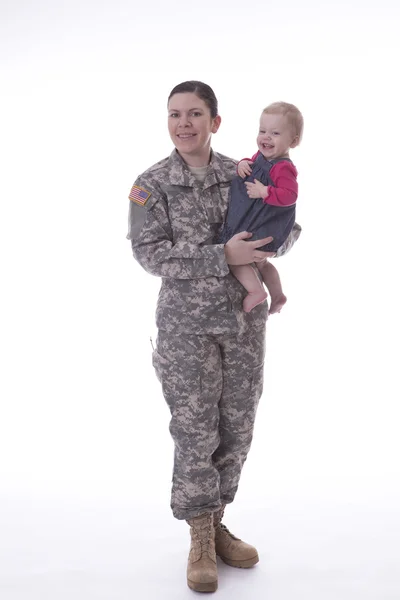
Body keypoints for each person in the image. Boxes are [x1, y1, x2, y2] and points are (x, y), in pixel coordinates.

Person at [127, 81, 300, 593]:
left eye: (195, 114)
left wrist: (272, 243)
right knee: (195, 429)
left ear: (215, 122)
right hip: (186, 328)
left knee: (237, 426)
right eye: (175, 114)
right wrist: (223, 256)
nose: (184, 123)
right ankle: (200, 533)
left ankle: (218, 518)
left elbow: (288, 223)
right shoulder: (151, 183)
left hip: (244, 323)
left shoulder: (245, 170)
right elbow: (149, 254)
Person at [219, 102, 303, 313]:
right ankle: (278, 295)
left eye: (275, 133)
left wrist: (266, 192)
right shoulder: (262, 157)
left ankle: (256, 291)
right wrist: (243, 163)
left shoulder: (283, 168)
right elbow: (253, 164)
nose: (266, 137)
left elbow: (290, 196)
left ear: (293, 141)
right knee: (262, 264)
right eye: (262, 131)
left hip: (263, 223)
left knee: (238, 260)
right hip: (256, 219)